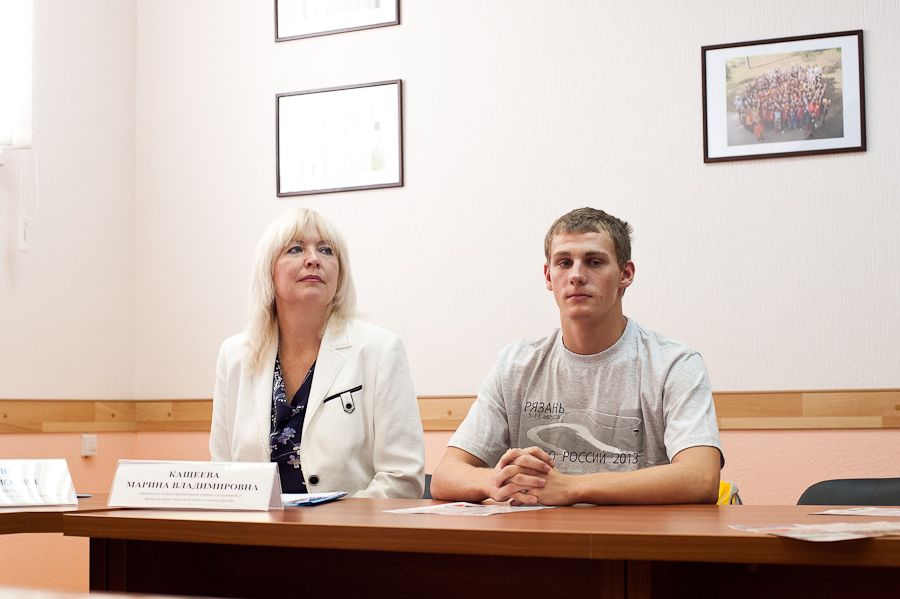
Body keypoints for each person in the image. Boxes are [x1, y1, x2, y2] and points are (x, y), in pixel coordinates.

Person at [431, 208, 723, 506]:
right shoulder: (515, 364)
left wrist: (571, 488)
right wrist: (499, 479)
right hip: (539, 533)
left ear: (625, 274)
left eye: (594, 262)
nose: (576, 276)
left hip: (635, 535)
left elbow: (702, 478)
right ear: (549, 276)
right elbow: (445, 476)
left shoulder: (675, 364)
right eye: (564, 263)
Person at [210, 208, 425, 498]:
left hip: (348, 526)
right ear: (268, 270)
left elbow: (402, 479)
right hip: (256, 526)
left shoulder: (380, 350)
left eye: (326, 250)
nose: (313, 259)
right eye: (296, 249)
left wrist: (328, 521)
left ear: (340, 273)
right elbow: (222, 473)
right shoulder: (234, 354)